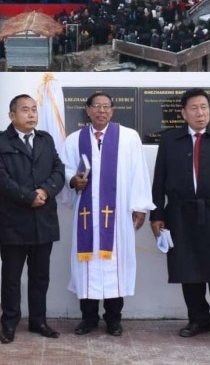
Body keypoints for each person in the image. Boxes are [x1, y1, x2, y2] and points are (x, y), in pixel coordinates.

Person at [150, 88, 210, 343]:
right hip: (180, 213)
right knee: (188, 269)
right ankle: (198, 319)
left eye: (204, 107)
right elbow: (159, 180)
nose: (200, 113)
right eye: (194, 108)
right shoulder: (170, 140)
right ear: (183, 113)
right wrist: (157, 214)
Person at [60, 92, 154, 336]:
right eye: (96, 106)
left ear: (112, 110)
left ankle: (114, 319)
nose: (101, 111)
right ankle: (88, 319)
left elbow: (138, 172)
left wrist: (140, 206)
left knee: (117, 266)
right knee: (86, 265)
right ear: (88, 110)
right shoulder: (74, 139)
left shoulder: (128, 137)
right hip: (86, 217)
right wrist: (72, 181)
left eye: (106, 106)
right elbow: (65, 170)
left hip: (119, 215)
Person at [0, 94, 65, 344]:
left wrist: (45, 191)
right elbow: (0, 179)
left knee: (40, 276)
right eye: (25, 110)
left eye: (34, 110)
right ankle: (9, 323)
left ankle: (38, 321)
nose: (31, 114)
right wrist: (27, 196)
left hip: (44, 220)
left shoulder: (45, 139)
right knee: (11, 277)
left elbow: (58, 170)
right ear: (12, 115)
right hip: (15, 222)